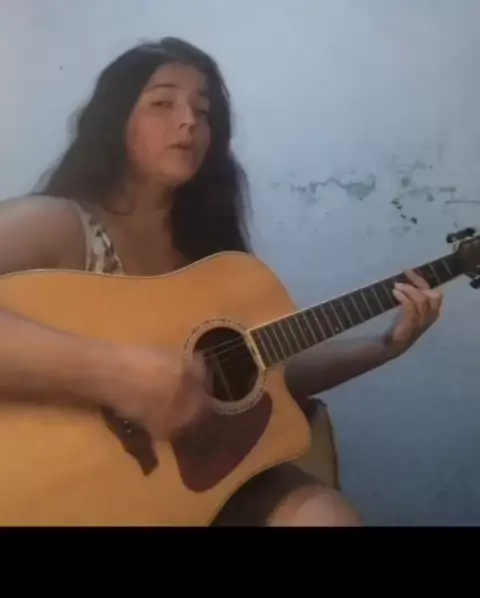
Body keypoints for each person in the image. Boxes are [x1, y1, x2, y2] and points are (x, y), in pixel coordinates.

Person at [0, 37, 443, 526]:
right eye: (162, 103)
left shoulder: (214, 258)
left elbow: (269, 375)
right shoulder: (56, 224)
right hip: (68, 490)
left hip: (203, 480)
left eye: (203, 111)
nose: (189, 121)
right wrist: (117, 373)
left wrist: (385, 346)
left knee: (326, 519)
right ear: (114, 118)